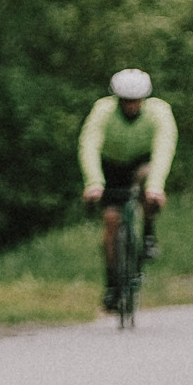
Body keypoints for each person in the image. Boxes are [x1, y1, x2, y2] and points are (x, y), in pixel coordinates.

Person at [80, 67, 178, 307]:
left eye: (135, 101)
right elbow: (89, 144)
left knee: (148, 186)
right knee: (112, 222)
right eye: (125, 101)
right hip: (112, 164)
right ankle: (112, 285)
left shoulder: (160, 112)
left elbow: (164, 149)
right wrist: (93, 183)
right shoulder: (103, 110)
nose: (130, 106)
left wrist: (156, 186)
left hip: (142, 163)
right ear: (117, 99)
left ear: (144, 99)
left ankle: (148, 233)